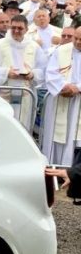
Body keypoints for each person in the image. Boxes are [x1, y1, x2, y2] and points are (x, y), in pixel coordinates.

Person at [41, 26, 81, 166]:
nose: (77, 42)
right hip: (61, 98)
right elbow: (50, 73)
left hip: (79, 100)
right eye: (76, 38)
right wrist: (64, 86)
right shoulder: (61, 51)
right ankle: (55, 167)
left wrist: (78, 88)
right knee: (57, 137)